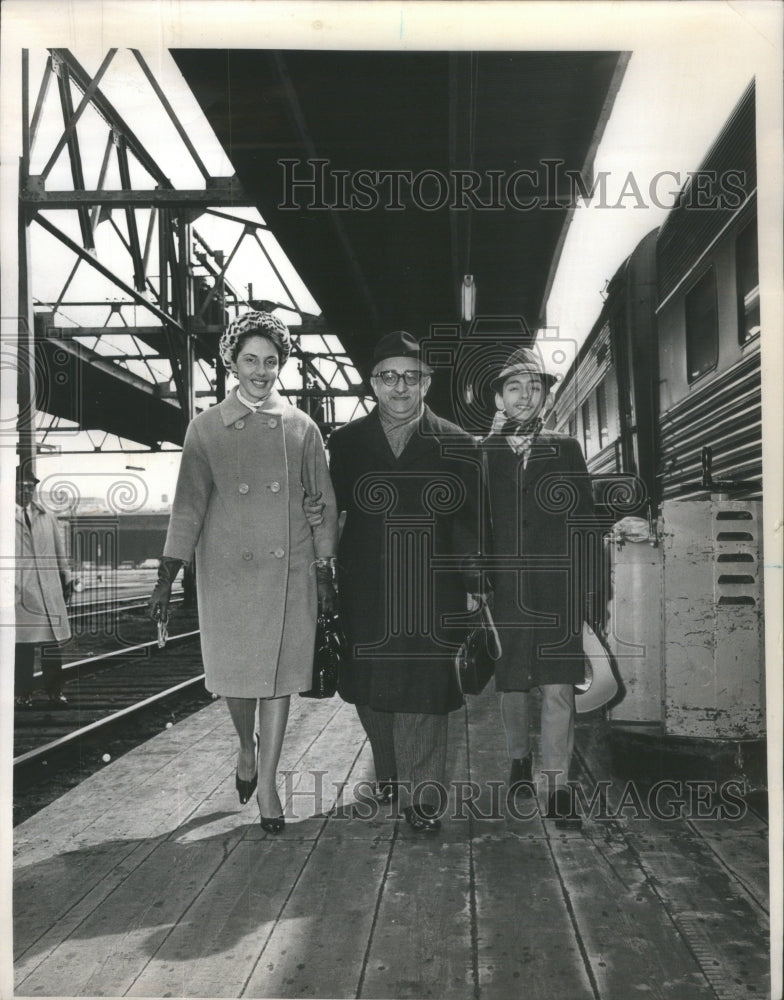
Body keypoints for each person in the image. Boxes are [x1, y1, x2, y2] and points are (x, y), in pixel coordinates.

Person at [149, 310, 338, 833]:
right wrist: (168, 574)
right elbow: (187, 507)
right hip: (228, 572)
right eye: (251, 360)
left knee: (278, 681)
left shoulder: (302, 427)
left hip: (289, 568)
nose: (261, 370)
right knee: (236, 680)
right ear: (232, 363)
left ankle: (270, 786)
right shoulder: (205, 429)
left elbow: (322, 495)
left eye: (271, 361)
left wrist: (325, 568)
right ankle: (245, 748)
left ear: (282, 366)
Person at [325, 330, 483, 834]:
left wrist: (477, 581)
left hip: (431, 587)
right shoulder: (346, 443)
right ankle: (389, 771)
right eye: (388, 377)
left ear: (427, 382)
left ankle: (422, 797)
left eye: (410, 378)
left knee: (423, 689)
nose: (399, 387)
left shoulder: (458, 443)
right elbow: (335, 509)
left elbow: (471, 520)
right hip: (365, 584)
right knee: (370, 689)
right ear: (372, 383)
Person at [481, 346, 602, 830]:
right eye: (514, 387)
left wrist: (590, 589)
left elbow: (585, 524)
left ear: (545, 397)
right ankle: (517, 758)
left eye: (534, 387)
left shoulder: (566, 449)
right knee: (511, 683)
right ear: (499, 399)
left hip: (556, 591)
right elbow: (473, 526)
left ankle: (557, 785)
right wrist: (476, 581)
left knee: (556, 688)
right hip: (505, 591)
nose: (525, 396)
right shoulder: (484, 454)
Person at [15, 465, 74, 707]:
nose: (27, 490)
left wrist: (66, 575)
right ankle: (22, 694)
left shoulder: (46, 516)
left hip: (46, 588)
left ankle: (54, 691)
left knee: (51, 646)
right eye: (22, 486)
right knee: (22, 647)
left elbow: (59, 550)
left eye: (31, 486)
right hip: (19, 591)